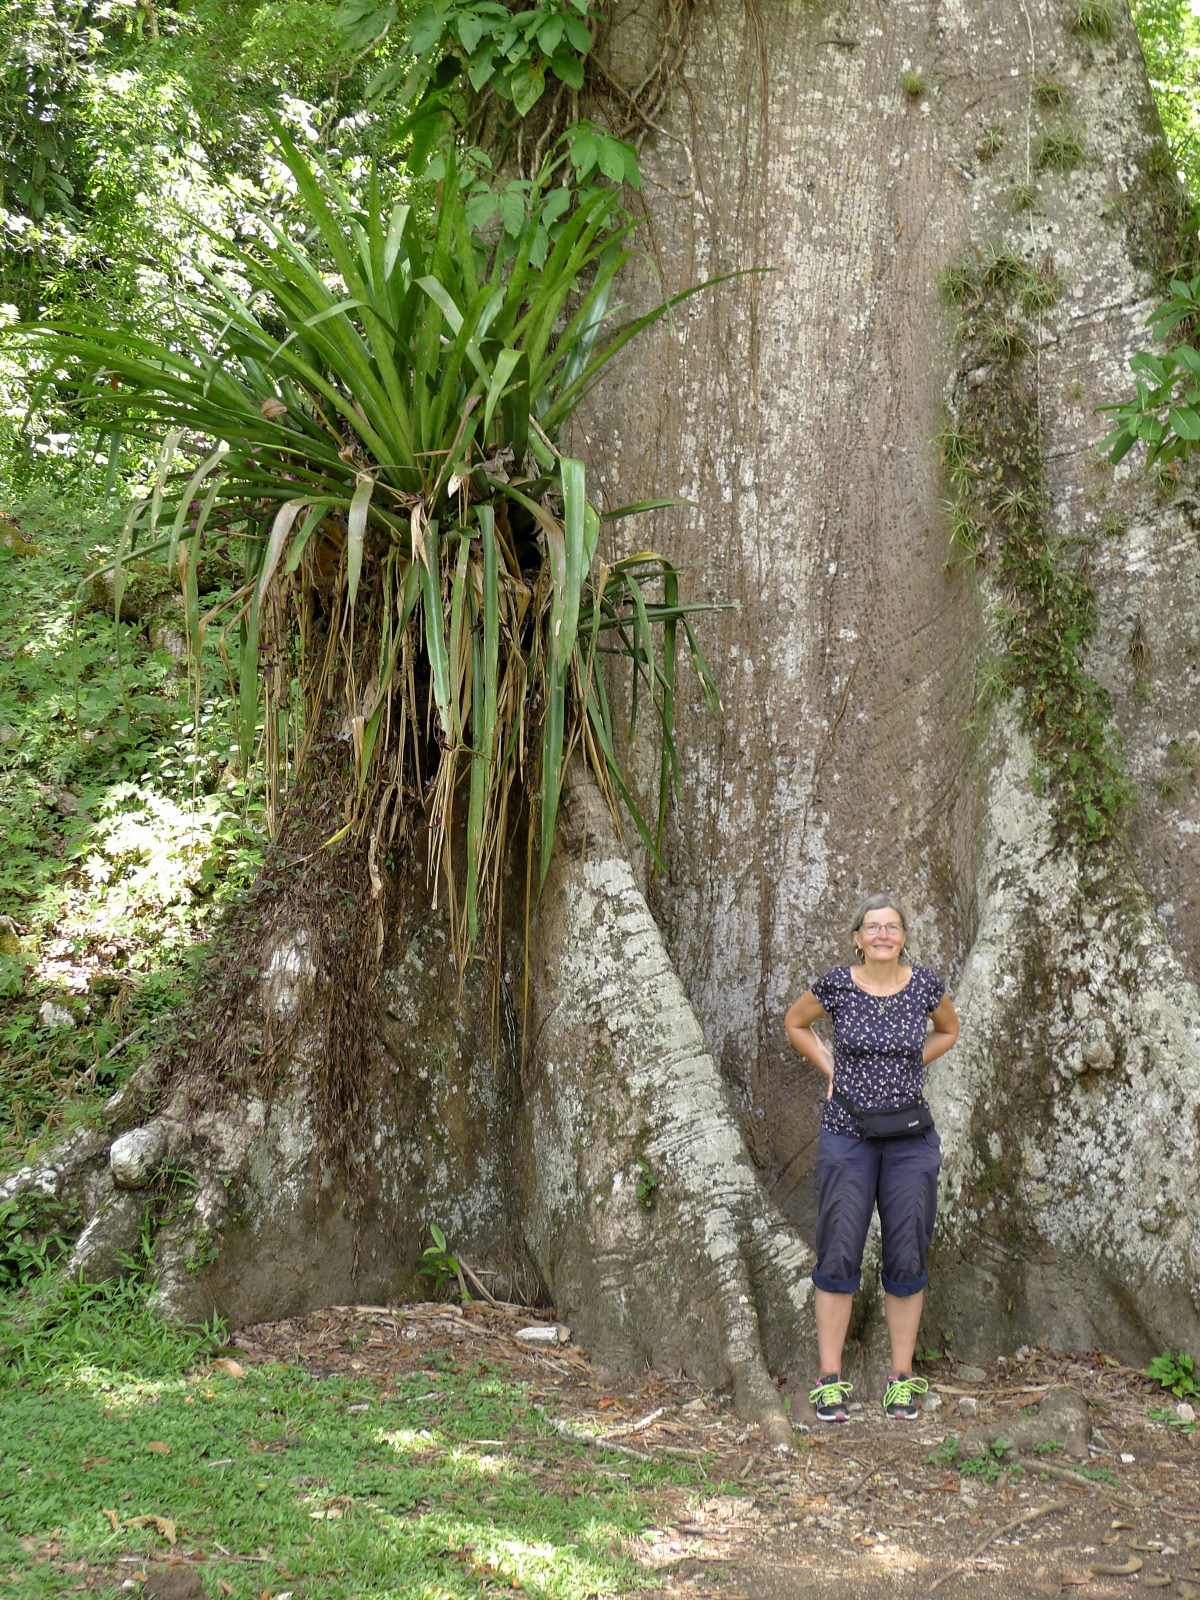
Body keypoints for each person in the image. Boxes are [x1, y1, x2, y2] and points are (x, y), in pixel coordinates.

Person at [784, 893, 960, 1422]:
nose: (883, 934)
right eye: (872, 927)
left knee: (907, 1253)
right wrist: (830, 1066)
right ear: (857, 938)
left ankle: (901, 1379)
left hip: (910, 1140)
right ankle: (829, 1380)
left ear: (903, 937)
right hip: (847, 1135)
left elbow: (948, 1030)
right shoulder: (836, 985)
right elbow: (796, 1023)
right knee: (839, 1250)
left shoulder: (926, 987)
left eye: (893, 927)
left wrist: (911, 1060)